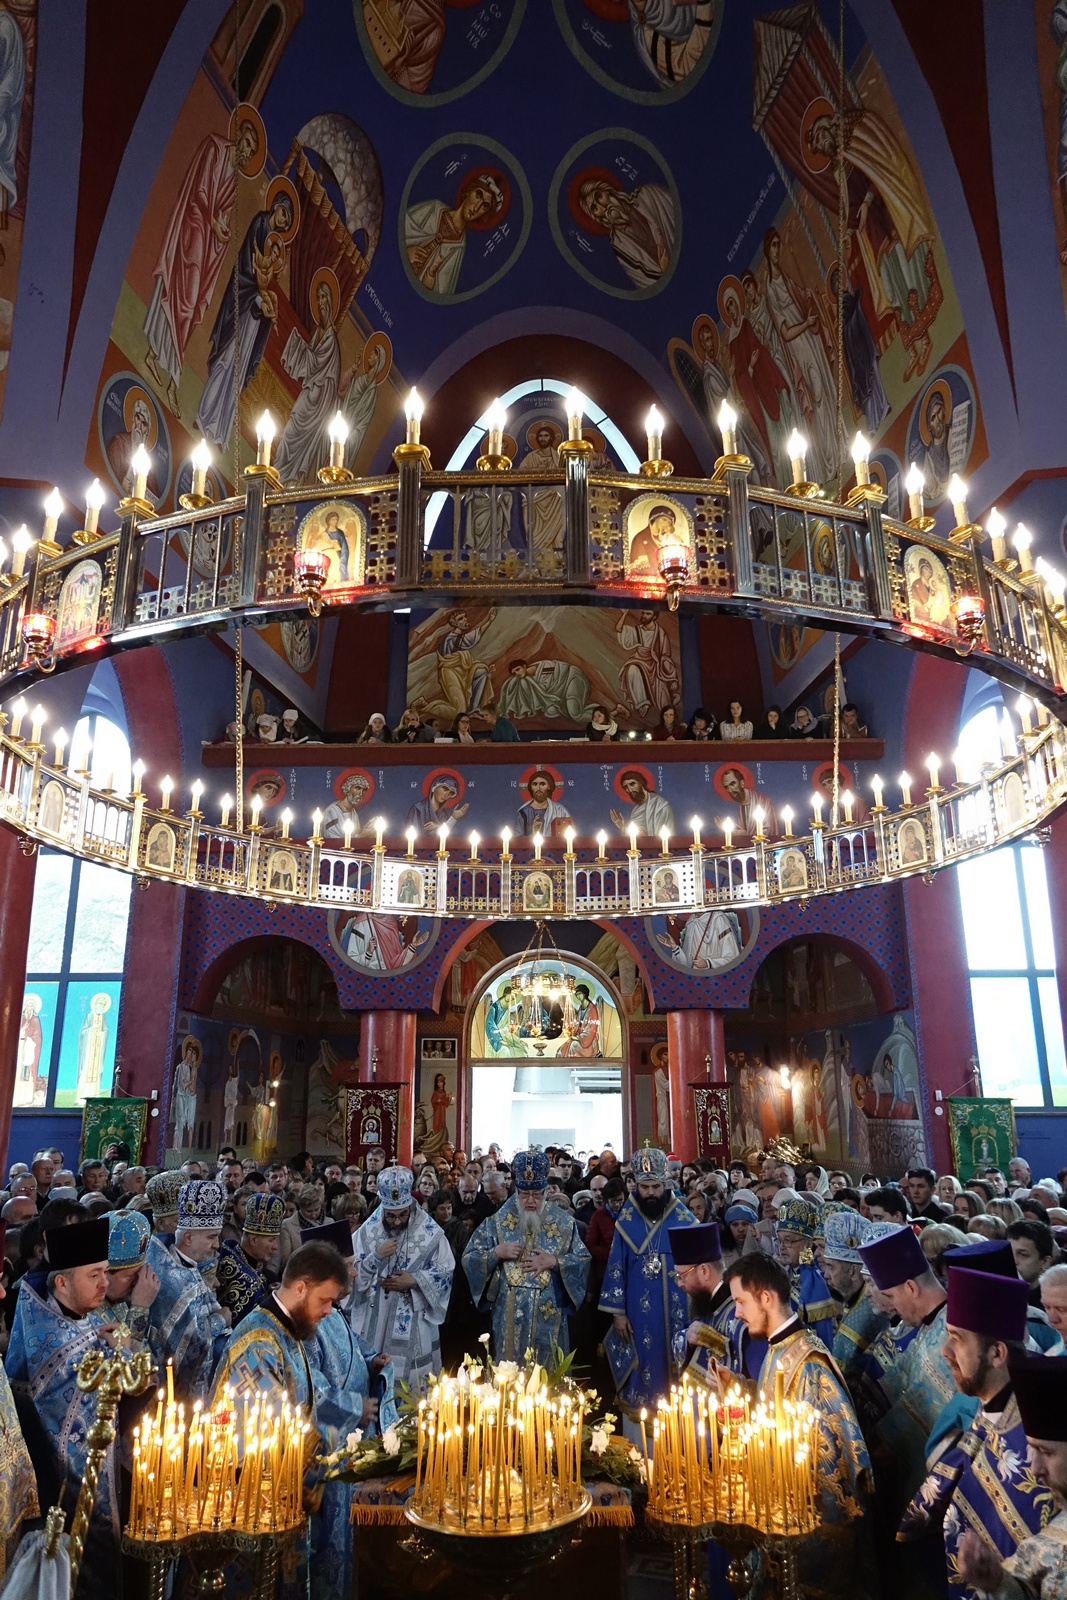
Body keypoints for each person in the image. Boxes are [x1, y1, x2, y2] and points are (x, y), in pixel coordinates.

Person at [726, 1253, 874, 1593]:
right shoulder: (779, 1347)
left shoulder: (809, 1364)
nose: (737, 1313)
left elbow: (834, 1470)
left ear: (766, 1297)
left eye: (740, 1302)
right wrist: (740, 1389)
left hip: (807, 1535)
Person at [209, 1240, 351, 1590]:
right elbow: (273, 1432)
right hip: (251, 1508)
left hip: (279, 1502)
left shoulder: (287, 1331)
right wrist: (341, 1454)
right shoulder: (258, 1343)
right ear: (300, 1287)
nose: (329, 1311)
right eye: (325, 1300)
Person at [902, 1265, 1048, 1599]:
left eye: (957, 1339)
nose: (945, 1352)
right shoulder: (989, 1410)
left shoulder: (1033, 1444)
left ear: (997, 1353)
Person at [5, 1218, 125, 1588]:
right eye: (94, 1275)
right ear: (61, 1282)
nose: (105, 1283)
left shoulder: (75, 1314)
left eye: (106, 1272)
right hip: (62, 1487)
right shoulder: (51, 1338)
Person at [302, 1219, 394, 1600]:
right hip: (330, 1448)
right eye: (349, 1264)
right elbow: (311, 1388)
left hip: (351, 1442)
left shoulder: (332, 1310)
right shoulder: (309, 1320)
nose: (355, 1271)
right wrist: (355, 1407)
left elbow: (355, 1349)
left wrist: (373, 1363)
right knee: (329, 1545)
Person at [857, 1222, 954, 1504]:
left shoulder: (951, 1334)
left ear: (910, 1287)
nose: (892, 1306)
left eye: (890, 1296)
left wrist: (888, 1444)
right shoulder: (928, 1324)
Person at [463, 1148, 590, 1364]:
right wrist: (496, 1253)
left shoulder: (564, 1223)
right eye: (524, 1194)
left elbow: (583, 1260)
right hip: (508, 1314)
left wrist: (556, 1262)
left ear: (545, 1192)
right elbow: (470, 1257)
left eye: (537, 1194)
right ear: (515, 1190)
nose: (530, 1200)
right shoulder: (496, 1222)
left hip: (549, 1314)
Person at [958, 1354, 1067, 1598]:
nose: (1035, 1469)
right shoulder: (1044, 1546)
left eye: (1045, 1451)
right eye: (1031, 1449)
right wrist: (998, 1584)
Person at [599, 1146, 695, 1416]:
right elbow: (616, 1268)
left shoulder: (685, 1221)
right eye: (645, 1187)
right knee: (643, 1364)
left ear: (666, 1184)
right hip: (639, 1317)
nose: (651, 1193)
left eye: (656, 1186)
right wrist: (617, 1313)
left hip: (679, 1311)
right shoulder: (626, 1223)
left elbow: (702, 1270)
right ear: (636, 1187)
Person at [350, 1166, 454, 1389]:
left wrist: (415, 1280)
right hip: (374, 1320)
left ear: (411, 1205)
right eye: (390, 1216)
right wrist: (376, 1256)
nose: (396, 1221)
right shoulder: (365, 1234)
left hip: (414, 1320)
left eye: (402, 1215)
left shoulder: (430, 1233)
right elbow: (350, 1275)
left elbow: (446, 1270)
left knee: (413, 1389)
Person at [146, 1179, 230, 1401]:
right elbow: (193, 1345)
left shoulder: (183, 1262)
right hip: (171, 1395)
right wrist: (222, 1319)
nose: (217, 1244)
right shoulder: (173, 1279)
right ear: (189, 1237)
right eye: (211, 1237)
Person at [671, 1219, 738, 1383]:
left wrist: (712, 1340)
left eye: (682, 1275)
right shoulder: (708, 1302)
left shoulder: (738, 1308)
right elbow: (688, 1334)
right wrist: (689, 1337)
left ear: (704, 1271)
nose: (679, 1283)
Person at [773, 1195, 836, 1349]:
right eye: (780, 1240)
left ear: (808, 1244)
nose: (782, 1247)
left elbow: (822, 1338)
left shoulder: (816, 1282)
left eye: (788, 1240)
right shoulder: (783, 1273)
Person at [217, 1191, 283, 1326]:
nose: (275, 1246)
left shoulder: (230, 1251)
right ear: (253, 1239)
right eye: (271, 1240)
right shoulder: (248, 1285)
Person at [609, 768, 676, 837]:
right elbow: (634, 840)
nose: (630, 789)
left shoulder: (660, 805)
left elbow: (662, 838)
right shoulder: (635, 811)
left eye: (632, 784)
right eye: (626, 787)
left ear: (640, 783)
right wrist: (623, 828)